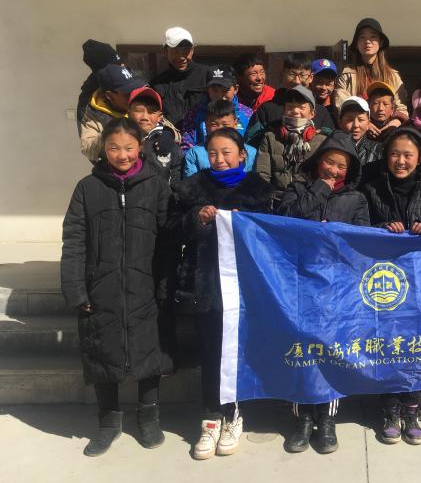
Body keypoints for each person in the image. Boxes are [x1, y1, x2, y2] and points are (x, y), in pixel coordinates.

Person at [61, 118, 173, 457]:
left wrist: (166, 286)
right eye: (113, 148)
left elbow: (169, 240)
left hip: (145, 286)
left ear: (140, 147)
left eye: (128, 147)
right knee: (102, 353)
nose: (121, 155)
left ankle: (149, 417)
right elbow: (74, 241)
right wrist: (76, 289)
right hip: (100, 287)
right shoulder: (87, 188)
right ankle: (108, 423)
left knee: (149, 352)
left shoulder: (157, 185)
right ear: (103, 150)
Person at [169, 127, 274, 460]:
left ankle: (234, 414)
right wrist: (195, 219)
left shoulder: (260, 191)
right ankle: (211, 417)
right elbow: (171, 229)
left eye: (226, 152)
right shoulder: (192, 189)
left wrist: (249, 225)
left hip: (245, 289)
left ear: (242, 155)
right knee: (212, 351)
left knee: (238, 353)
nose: (219, 159)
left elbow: (272, 237)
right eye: (212, 153)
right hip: (207, 286)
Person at [277, 132, 370, 453]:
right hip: (299, 284)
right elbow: (285, 221)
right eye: (330, 162)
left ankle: (327, 419)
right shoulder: (297, 188)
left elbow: (361, 241)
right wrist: (320, 190)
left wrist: (335, 236)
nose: (334, 170)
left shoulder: (356, 199)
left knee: (330, 351)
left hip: (336, 287)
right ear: (318, 161)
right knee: (302, 350)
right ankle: (302, 418)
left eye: (342, 166)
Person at [362, 126, 421, 445]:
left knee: (416, 343)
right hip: (384, 281)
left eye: (408, 155)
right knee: (386, 343)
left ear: (420, 158)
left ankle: (411, 409)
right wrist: (384, 228)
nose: (401, 161)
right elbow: (361, 227)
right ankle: (389, 410)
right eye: (395, 154)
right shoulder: (372, 189)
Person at [334, 18, 408, 138]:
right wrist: (365, 124)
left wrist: (396, 121)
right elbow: (342, 105)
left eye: (373, 37)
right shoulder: (347, 75)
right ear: (357, 44)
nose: (367, 42)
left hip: (388, 134)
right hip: (356, 134)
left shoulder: (393, 76)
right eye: (362, 37)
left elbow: (401, 105)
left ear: (381, 42)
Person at [245, 53, 336, 147]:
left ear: (311, 78)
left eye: (302, 75)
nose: (297, 81)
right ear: (282, 75)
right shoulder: (266, 109)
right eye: (291, 74)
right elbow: (251, 143)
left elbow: (332, 143)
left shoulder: (321, 111)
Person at [255, 85, 327, 202]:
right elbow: (262, 175)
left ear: (312, 113)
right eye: (290, 106)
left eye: (302, 107)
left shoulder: (322, 142)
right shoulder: (270, 138)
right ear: (283, 110)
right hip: (275, 201)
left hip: (306, 202)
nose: (295, 111)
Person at [80, 64, 147, 162]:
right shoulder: (93, 115)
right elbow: (88, 149)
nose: (133, 96)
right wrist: (110, 133)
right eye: (127, 94)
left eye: (135, 90)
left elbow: (164, 124)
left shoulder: (141, 102)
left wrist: (167, 132)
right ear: (109, 96)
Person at [180, 65, 253, 149]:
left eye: (225, 90)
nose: (220, 95)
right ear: (208, 89)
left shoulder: (248, 114)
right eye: (215, 90)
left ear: (236, 89)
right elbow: (187, 144)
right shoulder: (194, 114)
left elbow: (252, 145)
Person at [182, 99, 257, 178]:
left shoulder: (251, 152)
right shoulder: (194, 153)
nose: (220, 129)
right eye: (214, 125)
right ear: (206, 125)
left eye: (225, 124)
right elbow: (190, 183)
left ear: (235, 123)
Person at [151, 27, 208, 129]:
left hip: (200, 137)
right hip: (168, 136)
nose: (181, 57)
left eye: (186, 51)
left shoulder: (207, 75)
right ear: (166, 52)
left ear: (192, 50)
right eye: (175, 51)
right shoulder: (157, 83)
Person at [127, 87, 183, 186]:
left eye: (151, 112)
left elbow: (175, 184)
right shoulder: (117, 140)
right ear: (129, 113)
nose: (145, 117)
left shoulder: (169, 145)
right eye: (139, 110)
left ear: (159, 117)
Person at [77, 39, 123, 131]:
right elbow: (90, 137)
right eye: (116, 66)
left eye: (121, 63)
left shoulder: (123, 80)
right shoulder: (87, 101)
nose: (122, 66)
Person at [337, 96, 382, 166]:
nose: (355, 125)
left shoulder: (378, 150)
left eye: (361, 120)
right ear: (340, 122)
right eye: (350, 120)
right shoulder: (332, 149)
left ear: (368, 123)